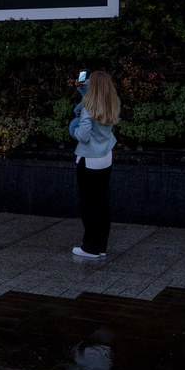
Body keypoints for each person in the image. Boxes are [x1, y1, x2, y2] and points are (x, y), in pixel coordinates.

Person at [69, 71, 120, 258]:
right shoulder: (112, 101)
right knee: (101, 203)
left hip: (89, 159)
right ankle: (101, 247)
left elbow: (83, 135)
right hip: (106, 156)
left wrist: (73, 128)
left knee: (89, 205)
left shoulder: (89, 107)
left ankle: (90, 247)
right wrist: (84, 90)